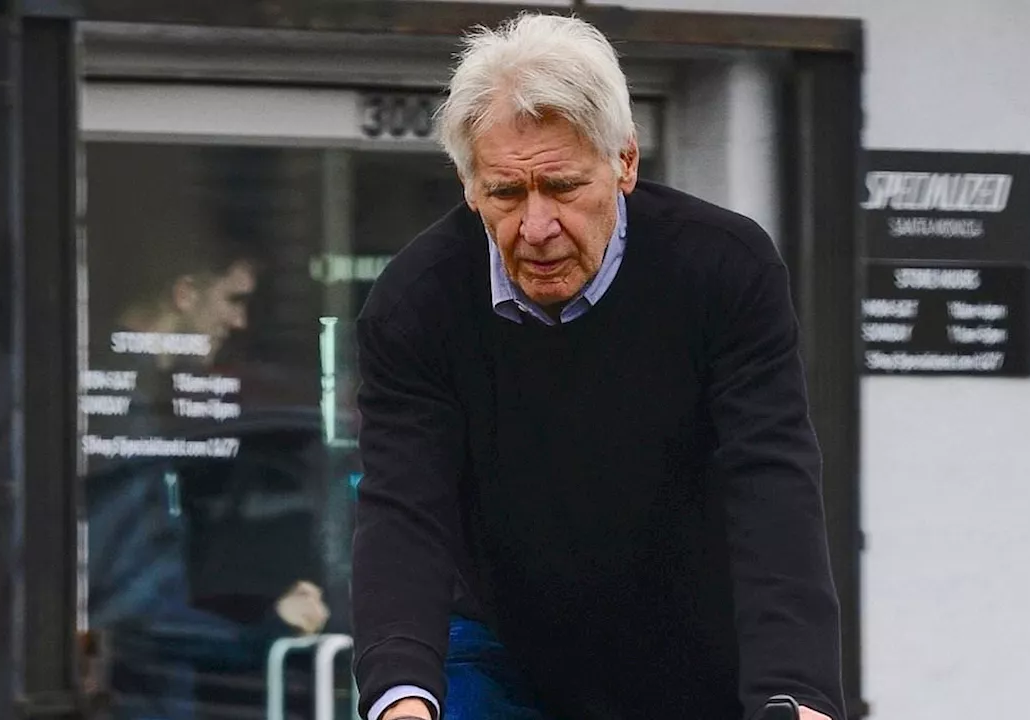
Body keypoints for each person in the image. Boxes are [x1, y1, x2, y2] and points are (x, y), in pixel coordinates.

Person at [351, 12, 845, 720]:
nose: (538, 227)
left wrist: (797, 692)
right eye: (507, 193)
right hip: (500, 636)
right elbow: (404, 512)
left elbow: (771, 487)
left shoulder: (724, 269)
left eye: (563, 186)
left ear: (625, 164)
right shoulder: (415, 303)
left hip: (691, 637)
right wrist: (400, 695)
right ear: (468, 187)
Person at [84, 237, 329, 719]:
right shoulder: (118, 414)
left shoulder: (133, 400)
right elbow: (136, 610)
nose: (239, 322)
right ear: (185, 293)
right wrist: (270, 628)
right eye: (232, 299)